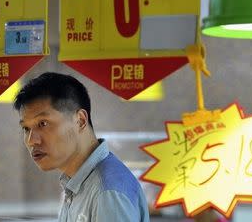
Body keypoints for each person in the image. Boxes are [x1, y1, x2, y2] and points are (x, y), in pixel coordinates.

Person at [14, 72, 150, 222]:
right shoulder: (79, 183)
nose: (31, 140)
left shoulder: (106, 192)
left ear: (80, 120)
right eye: (26, 129)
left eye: (43, 124)